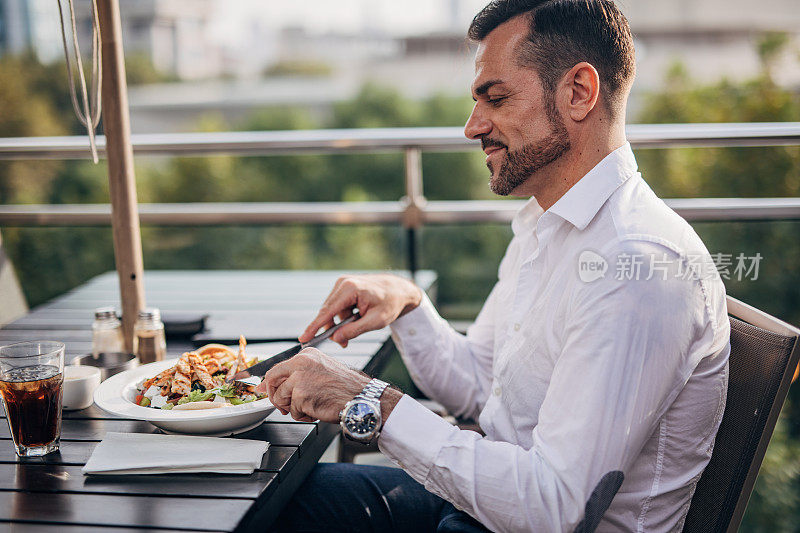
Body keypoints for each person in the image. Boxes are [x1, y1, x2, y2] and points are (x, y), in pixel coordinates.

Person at [263, 0, 731, 531]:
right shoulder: (546, 224)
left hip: (524, 519)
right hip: (485, 503)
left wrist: (367, 400)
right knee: (271, 499)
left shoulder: (637, 269)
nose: (472, 127)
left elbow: (553, 509)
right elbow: (481, 387)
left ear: (579, 92)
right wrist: (409, 305)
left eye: (497, 98)